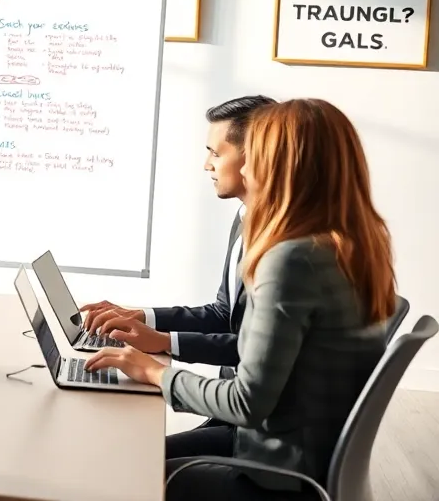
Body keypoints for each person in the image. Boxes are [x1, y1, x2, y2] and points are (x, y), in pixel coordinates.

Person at [85, 99, 396, 500]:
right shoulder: (353, 244)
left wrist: (154, 372)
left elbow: (246, 402)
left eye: (257, 156)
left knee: (121, 475)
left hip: (275, 475)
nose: (245, 169)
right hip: (299, 456)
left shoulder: (294, 258)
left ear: (286, 166)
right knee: (130, 457)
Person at [80, 96, 276, 395]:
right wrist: (141, 318)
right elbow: (225, 314)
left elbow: (260, 350)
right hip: (230, 399)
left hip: (250, 415)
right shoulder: (244, 215)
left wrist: (163, 346)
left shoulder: (287, 245)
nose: (206, 165)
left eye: (215, 153)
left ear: (254, 157)